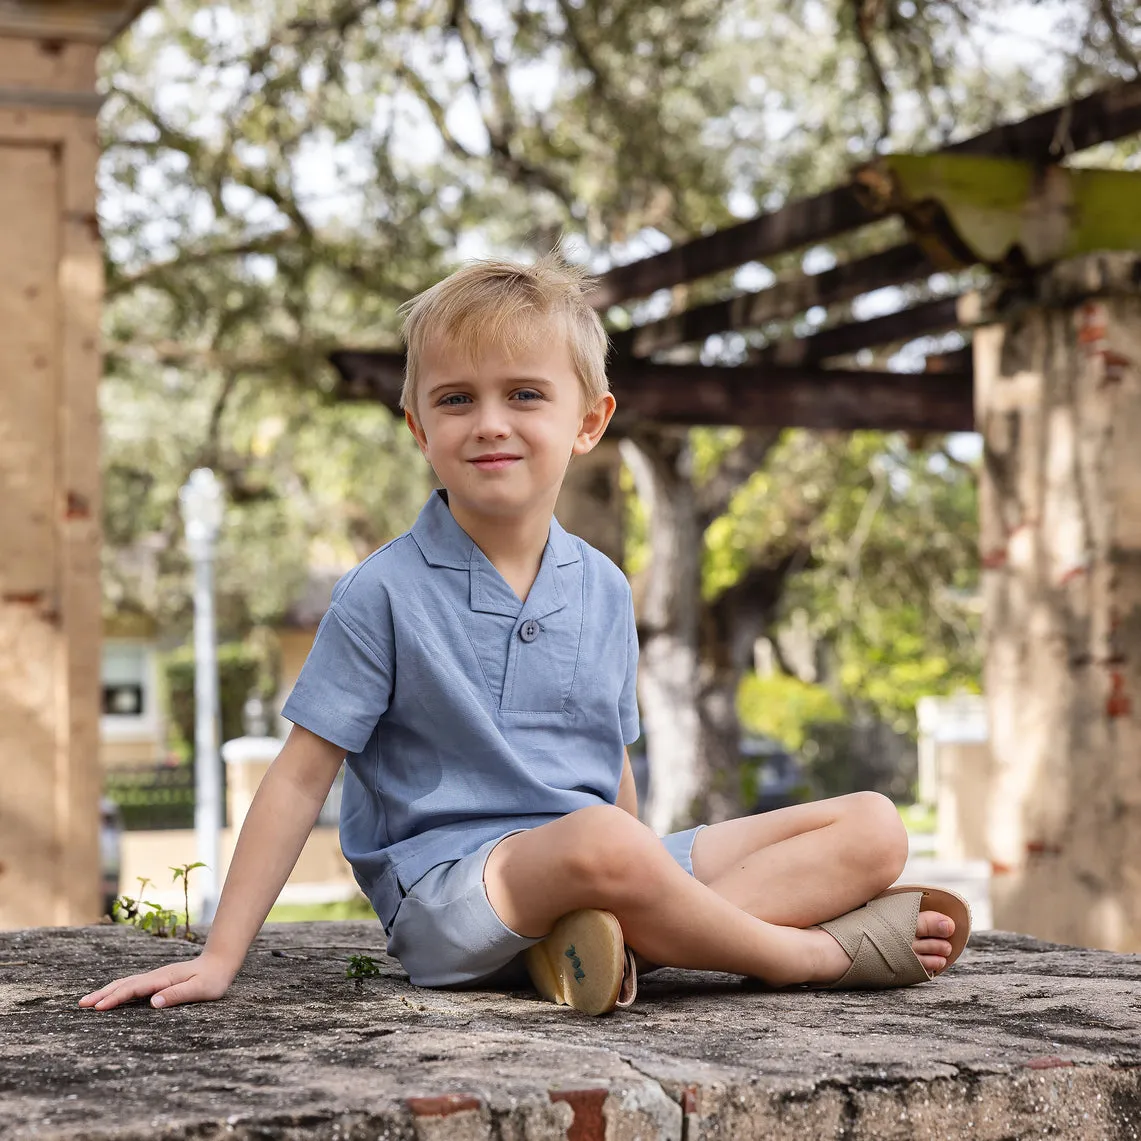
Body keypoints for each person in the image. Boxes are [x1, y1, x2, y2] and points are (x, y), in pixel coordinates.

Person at [81, 254, 969, 1018]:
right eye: (457, 398)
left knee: (874, 827)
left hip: (595, 854)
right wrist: (220, 954)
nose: (490, 421)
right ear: (419, 427)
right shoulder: (381, 590)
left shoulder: (606, 588)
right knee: (602, 843)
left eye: (525, 394)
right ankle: (800, 955)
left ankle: (611, 945)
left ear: (588, 421)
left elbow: (608, 769)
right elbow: (295, 779)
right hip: (454, 897)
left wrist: (645, 877)